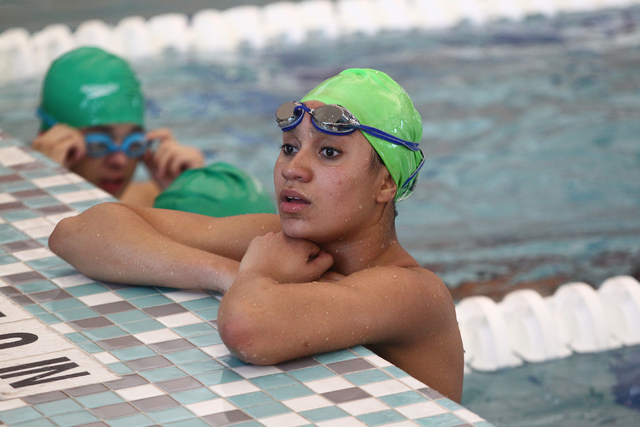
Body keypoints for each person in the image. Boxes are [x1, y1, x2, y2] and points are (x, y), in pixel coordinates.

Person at [49, 68, 464, 402]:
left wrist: (259, 276)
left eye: (329, 152)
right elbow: (81, 231)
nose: (292, 168)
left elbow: (248, 331)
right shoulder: (278, 243)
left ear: (386, 185)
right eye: (289, 146)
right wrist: (230, 272)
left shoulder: (411, 293)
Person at [32, 47, 204, 207]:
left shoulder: (157, 202)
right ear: (50, 141)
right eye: (99, 145)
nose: (120, 161)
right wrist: (43, 182)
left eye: (134, 144)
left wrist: (193, 194)